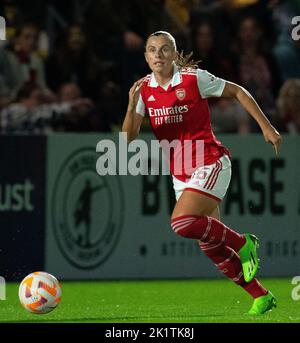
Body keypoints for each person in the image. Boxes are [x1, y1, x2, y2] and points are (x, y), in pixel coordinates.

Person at [121, 31, 281, 315]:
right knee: (210, 247)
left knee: (181, 223)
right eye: (152, 50)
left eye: (165, 49)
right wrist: (131, 103)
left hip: (210, 162)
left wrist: (266, 126)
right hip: (181, 174)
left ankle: (244, 243)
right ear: (145, 57)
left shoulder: (194, 79)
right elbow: (128, 137)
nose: (158, 54)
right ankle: (261, 295)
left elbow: (237, 91)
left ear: (173, 53)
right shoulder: (143, 90)